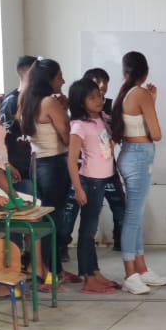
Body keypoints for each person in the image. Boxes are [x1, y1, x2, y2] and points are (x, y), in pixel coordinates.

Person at [110, 51, 166, 295]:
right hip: (138, 156)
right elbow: (156, 133)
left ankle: (141, 269)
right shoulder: (141, 94)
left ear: (125, 72)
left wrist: (150, 101)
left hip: (130, 154)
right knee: (133, 218)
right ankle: (130, 274)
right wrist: (151, 101)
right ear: (145, 72)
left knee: (136, 216)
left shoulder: (125, 94)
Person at [17, 58, 78, 283]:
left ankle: (50, 269)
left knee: (45, 217)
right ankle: (50, 271)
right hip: (54, 164)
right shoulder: (49, 103)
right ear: (49, 79)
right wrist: (67, 112)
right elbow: (67, 136)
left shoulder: (26, 100)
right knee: (54, 220)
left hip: (37, 163)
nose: (63, 80)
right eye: (59, 76)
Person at [65, 80, 119, 295]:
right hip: (90, 181)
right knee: (87, 231)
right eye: (92, 97)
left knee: (91, 230)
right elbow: (72, 161)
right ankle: (88, 278)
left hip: (103, 179)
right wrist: (78, 189)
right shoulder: (79, 126)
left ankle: (95, 272)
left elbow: (106, 145)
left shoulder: (102, 119)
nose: (99, 100)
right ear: (81, 102)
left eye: (99, 95)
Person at [0, 55, 38, 195]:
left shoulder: (37, 100)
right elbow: (0, 138)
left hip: (35, 169)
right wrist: (7, 165)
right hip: (19, 172)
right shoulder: (11, 101)